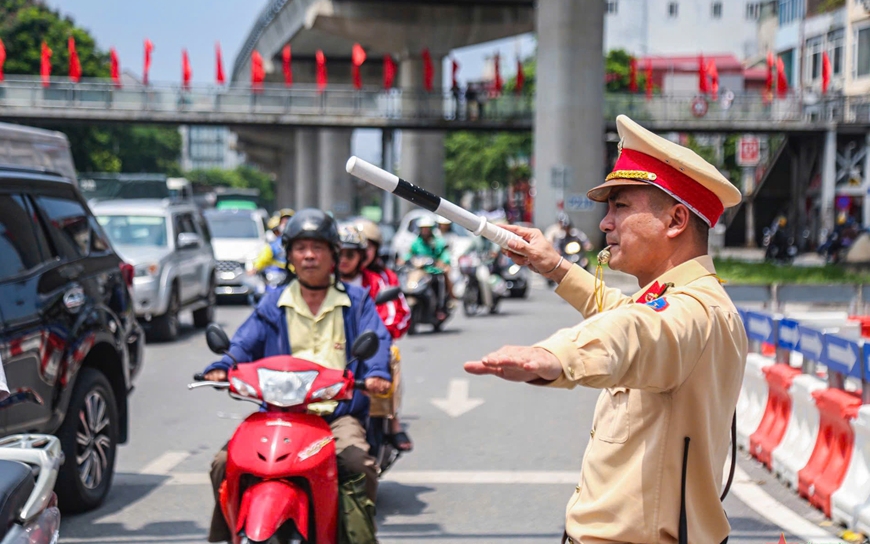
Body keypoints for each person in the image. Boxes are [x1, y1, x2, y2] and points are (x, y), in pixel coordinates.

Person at [464, 114, 748, 544]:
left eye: (621, 207)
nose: (605, 223)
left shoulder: (693, 311)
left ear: (675, 221)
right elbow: (625, 311)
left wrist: (557, 355)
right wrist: (555, 265)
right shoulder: (679, 299)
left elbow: (634, 333)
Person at [201, 208, 392, 543]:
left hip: (335, 416)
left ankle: (357, 536)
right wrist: (223, 365)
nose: (308, 256)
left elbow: (377, 340)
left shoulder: (357, 301)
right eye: (300, 248)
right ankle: (226, 536)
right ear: (288, 255)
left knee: (357, 463)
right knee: (222, 463)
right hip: (277, 415)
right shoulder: (273, 303)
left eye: (317, 248)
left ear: (333, 255)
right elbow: (245, 341)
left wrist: (376, 373)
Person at [338, 222, 413, 451]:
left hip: (368, 348)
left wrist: (376, 339)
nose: (344, 260)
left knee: (389, 358)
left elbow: (392, 317)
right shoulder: (320, 282)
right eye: (338, 253)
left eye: (352, 253)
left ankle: (392, 421)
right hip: (332, 349)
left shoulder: (379, 280)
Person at [404, 216, 453, 320]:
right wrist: (403, 260)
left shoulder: (438, 242)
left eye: (427, 228)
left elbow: (444, 255)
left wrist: (442, 262)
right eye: (423, 228)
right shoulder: (416, 242)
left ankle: (440, 306)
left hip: (433, 271)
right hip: (419, 272)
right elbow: (408, 255)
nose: (425, 230)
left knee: (440, 280)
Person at [250, 208, 295, 274]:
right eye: (283, 221)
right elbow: (264, 256)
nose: (285, 224)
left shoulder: (300, 242)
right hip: (278, 276)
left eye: (288, 221)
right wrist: (255, 268)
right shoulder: (275, 244)